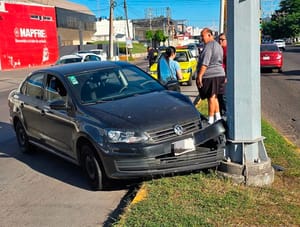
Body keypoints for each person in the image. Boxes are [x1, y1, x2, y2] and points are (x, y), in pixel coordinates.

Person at [196, 28, 226, 124]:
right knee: (215, 97)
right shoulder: (217, 45)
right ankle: (218, 117)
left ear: (209, 35)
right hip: (219, 74)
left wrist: (200, 75)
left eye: (202, 36)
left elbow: (206, 62)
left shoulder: (209, 45)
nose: (201, 38)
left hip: (211, 75)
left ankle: (211, 119)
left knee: (211, 97)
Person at [218, 33, 227, 117]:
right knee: (219, 98)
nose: (220, 41)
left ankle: (225, 114)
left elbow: (228, 65)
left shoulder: (226, 50)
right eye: (219, 39)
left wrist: (226, 76)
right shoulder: (219, 49)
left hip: (224, 78)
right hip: (218, 77)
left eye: (222, 39)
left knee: (223, 98)